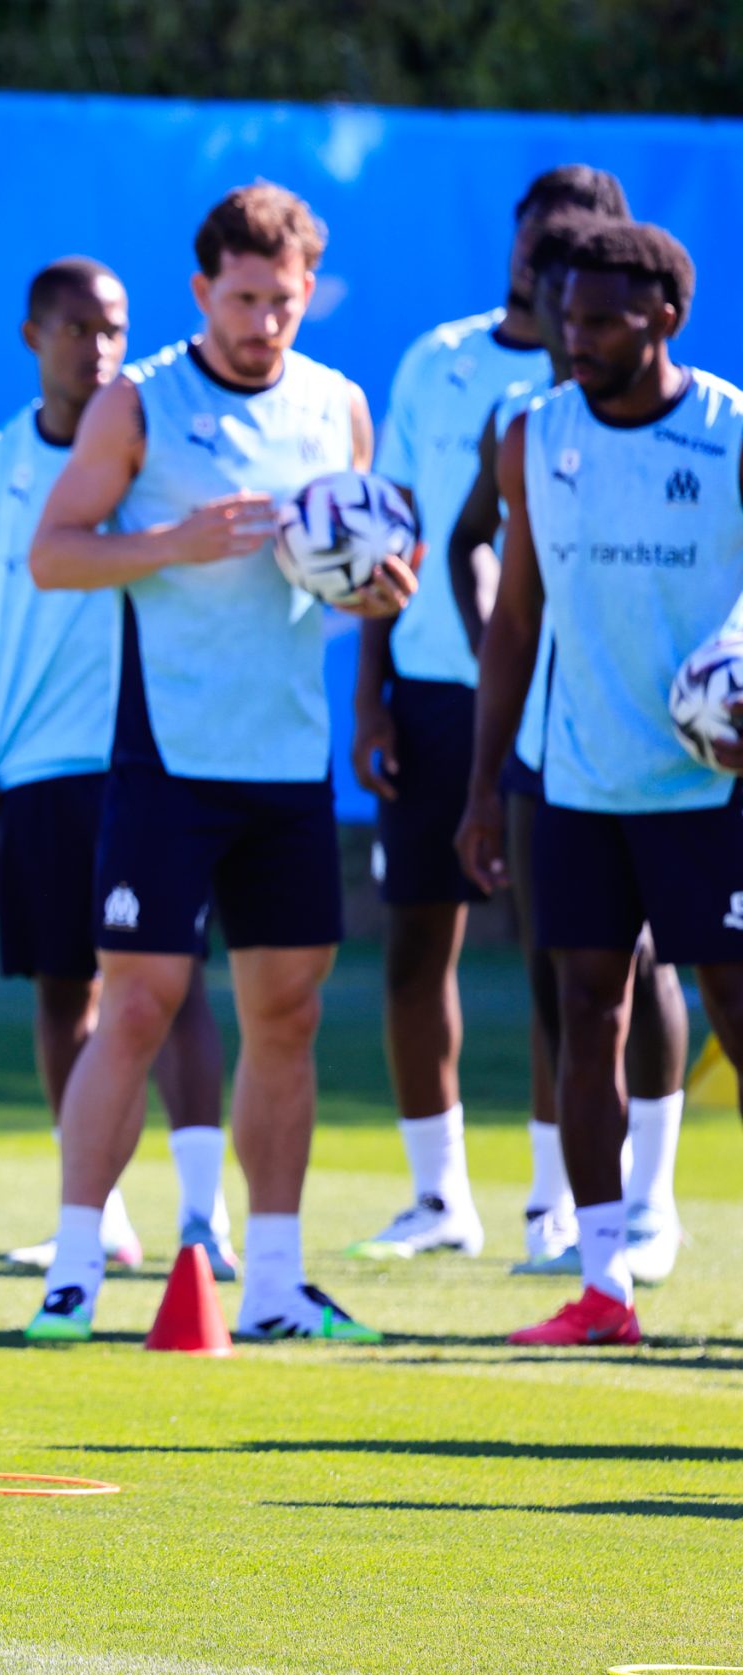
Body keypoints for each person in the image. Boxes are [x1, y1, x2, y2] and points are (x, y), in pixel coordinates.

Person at [23, 183, 415, 1343]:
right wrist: (174, 542)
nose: (263, 322)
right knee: (136, 1004)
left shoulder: (337, 405)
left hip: (288, 762)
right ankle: (74, 1269)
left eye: (282, 301)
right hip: (166, 758)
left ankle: (279, 1284)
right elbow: (52, 554)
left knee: (286, 1012)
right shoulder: (139, 402)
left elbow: (374, 558)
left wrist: (382, 596)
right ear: (202, 293)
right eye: (242, 299)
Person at [455, 219, 743, 1347]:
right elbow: (515, 618)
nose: (576, 340)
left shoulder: (729, 434)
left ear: (665, 317)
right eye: (566, 318)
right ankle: (604, 1285)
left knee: (735, 1009)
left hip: (707, 787)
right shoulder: (531, 437)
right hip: (572, 782)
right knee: (586, 1014)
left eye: (603, 321)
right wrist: (484, 788)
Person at [346, 166, 632, 1264]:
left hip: (571, 703)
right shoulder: (438, 360)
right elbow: (397, 533)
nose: (542, 252)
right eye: (534, 229)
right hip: (429, 696)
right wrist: (370, 691)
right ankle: (437, 1197)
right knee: (417, 942)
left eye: (572, 237)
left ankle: (563, 1199)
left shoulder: (620, 395)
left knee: (572, 960)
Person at [0, 259, 236, 1278]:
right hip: (35, 767)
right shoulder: (0, 456)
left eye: (110, 327)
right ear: (32, 334)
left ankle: (206, 1220)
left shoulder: (143, 449)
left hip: (140, 758)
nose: (95, 346)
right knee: (63, 992)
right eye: (73, 328)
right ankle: (97, 1214)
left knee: (174, 984)